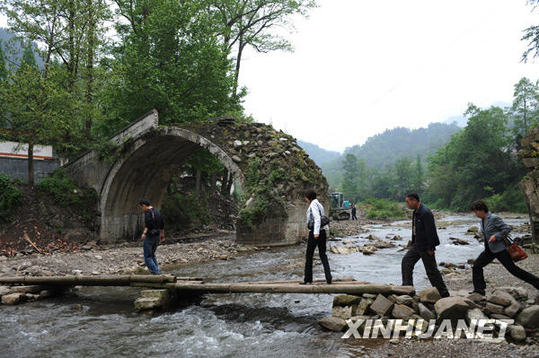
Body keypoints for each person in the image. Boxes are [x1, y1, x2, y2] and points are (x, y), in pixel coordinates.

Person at [469, 200, 539, 295]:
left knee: (513, 270)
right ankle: (479, 290)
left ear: (481, 210)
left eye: (476, 211)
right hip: (489, 250)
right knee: (476, 266)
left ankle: (537, 283)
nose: (475, 214)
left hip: (500, 249)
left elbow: (507, 228)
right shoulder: (482, 220)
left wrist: (496, 236)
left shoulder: (493, 218)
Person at [401, 193, 450, 297]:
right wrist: (412, 243)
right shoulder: (416, 212)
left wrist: (431, 247)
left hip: (426, 245)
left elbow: (431, 231)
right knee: (406, 262)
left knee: (431, 271)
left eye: (408, 202)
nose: (407, 204)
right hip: (417, 244)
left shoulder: (425, 212)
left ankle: (443, 294)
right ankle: (407, 288)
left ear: (414, 201)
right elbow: (415, 229)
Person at [301, 189, 332, 285]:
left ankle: (308, 279)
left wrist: (315, 233)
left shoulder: (313, 204)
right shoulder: (319, 204)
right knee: (323, 254)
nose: (305, 199)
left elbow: (318, 218)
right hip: (322, 232)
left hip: (315, 233)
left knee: (309, 255)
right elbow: (323, 217)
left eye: (305, 197)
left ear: (308, 197)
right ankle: (328, 278)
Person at [138, 199, 165, 275]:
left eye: (141, 207)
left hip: (150, 236)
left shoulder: (148, 212)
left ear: (144, 205)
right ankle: (157, 271)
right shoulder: (157, 211)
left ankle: (155, 273)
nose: (142, 209)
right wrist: (162, 235)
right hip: (157, 236)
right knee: (152, 254)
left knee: (147, 256)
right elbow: (162, 224)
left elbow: (148, 224)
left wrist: (144, 233)